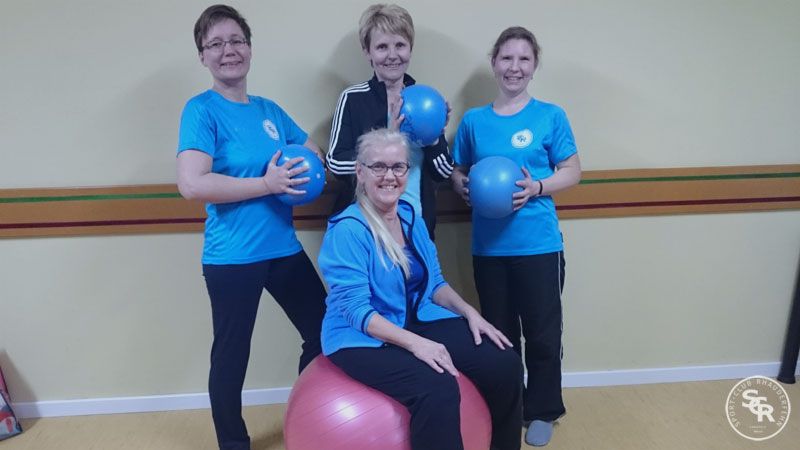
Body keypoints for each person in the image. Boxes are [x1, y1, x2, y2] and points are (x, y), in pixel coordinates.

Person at [175, 5, 326, 450]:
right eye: (216, 44)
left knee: (324, 332)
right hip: (232, 257)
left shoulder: (268, 110)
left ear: (249, 48)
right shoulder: (201, 110)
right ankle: (233, 444)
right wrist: (266, 183)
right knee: (232, 354)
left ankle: (308, 414)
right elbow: (192, 183)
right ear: (203, 56)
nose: (228, 51)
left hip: (283, 249)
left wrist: (299, 171)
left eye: (236, 41)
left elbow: (312, 152)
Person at [319, 128, 523, 450]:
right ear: (360, 172)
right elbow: (357, 312)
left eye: (398, 166)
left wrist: (471, 314)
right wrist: (418, 344)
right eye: (378, 166)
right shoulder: (348, 230)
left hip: (416, 318)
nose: (390, 176)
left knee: (504, 363)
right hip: (360, 337)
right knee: (437, 386)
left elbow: (435, 283)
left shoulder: (409, 215)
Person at [450, 26, 582, 447]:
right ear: (494, 63)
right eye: (507, 57)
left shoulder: (550, 116)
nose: (514, 67)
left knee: (543, 333)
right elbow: (458, 170)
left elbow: (572, 171)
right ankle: (509, 407)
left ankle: (543, 410)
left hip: (539, 244)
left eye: (524, 58)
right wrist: (461, 185)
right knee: (499, 333)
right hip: (489, 248)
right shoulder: (474, 121)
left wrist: (537, 187)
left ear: (534, 65)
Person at [326, 3, 454, 239]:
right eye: (382, 47)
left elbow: (443, 172)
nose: (392, 55)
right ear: (368, 52)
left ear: (410, 49)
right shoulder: (353, 98)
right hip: (366, 227)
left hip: (416, 227)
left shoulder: (425, 102)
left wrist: (435, 139)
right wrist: (387, 141)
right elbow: (335, 162)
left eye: (400, 45)